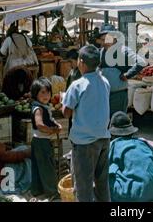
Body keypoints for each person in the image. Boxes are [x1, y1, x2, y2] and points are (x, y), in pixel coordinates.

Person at [62, 45, 111, 202]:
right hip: (103, 139)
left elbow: (66, 112)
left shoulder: (77, 85)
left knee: (83, 188)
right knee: (102, 185)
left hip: (84, 143)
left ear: (81, 62)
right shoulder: (104, 82)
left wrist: (63, 99)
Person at [108, 111, 153, 202]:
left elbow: (102, 171)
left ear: (112, 134)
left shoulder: (113, 145)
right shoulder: (143, 142)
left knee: (111, 169)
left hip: (137, 195)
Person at [95, 24, 147, 116]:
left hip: (118, 96)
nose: (104, 42)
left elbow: (141, 62)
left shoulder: (123, 51)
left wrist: (127, 75)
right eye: (102, 40)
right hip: (103, 96)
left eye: (107, 39)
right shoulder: (101, 52)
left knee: (116, 123)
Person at [30, 78, 62, 200]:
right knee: (48, 167)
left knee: (39, 166)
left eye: (48, 92)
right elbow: (40, 125)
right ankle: (52, 192)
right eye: (42, 92)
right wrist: (52, 130)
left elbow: (50, 119)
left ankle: (37, 190)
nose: (46, 95)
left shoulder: (44, 107)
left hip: (38, 141)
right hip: (41, 142)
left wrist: (56, 125)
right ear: (35, 93)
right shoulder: (38, 109)